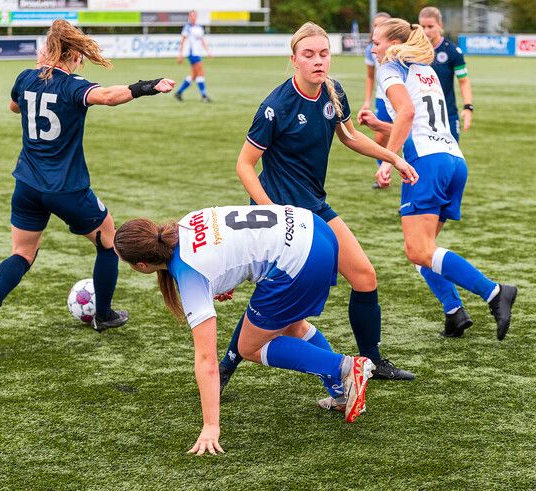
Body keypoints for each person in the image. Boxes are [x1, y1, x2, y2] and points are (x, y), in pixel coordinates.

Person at [218, 22, 420, 401]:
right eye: (308, 55)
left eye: (323, 53)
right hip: (280, 217)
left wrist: (393, 155)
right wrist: (270, 212)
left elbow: (349, 136)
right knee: (271, 303)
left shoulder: (333, 91)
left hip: (314, 206)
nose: (317, 61)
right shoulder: (275, 106)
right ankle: (227, 365)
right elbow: (244, 165)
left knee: (364, 276)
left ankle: (372, 363)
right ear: (293, 59)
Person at [0, 20, 176, 340]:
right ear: (73, 53)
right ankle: (103, 315)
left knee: (21, 254)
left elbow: (14, 107)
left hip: (27, 185)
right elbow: (107, 96)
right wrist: (146, 86)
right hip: (67, 188)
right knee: (109, 243)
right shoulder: (72, 85)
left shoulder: (25, 78)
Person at [114, 205, 376, 455]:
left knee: (249, 347)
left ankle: (344, 367)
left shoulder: (189, 274)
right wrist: (224, 280)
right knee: (292, 326)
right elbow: (234, 245)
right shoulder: (184, 223)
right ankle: (341, 394)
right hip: (313, 227)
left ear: (141, 266)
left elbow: (206, 360)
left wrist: (210, 426)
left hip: (299, 258)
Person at [360, 18, 516, 339]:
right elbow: (417, 123)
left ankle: (495, 292)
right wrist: (379, 123)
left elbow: (406, 114)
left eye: (376, 41)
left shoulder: (392, 68)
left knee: (419, 250)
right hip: (453, 161)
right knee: (422, 248)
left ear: (393, 44)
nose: (372, 47)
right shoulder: (425, 69)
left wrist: (389, 159)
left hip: (428, 164)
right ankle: (454, 312)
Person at [418, 6, 473, 142]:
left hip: (448, 114)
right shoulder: (414, 51)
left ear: (440, 25)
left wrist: (468, 107)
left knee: (451, 156)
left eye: (430, 26)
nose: (426, 31)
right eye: (422, 26)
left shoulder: (452, 51)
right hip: (420, 116)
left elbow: (463, 81)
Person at [358, 11, 392, 189]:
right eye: (375, 25)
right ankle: (384, 173)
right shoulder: (370, 50)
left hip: (399, 99)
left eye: (382, 25)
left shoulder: (399, 48)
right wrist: (367, 100)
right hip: (382, 99)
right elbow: (370, 77)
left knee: (409, 138)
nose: (377, 29)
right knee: (380, 140)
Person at [174, 10, 212, 102]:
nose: (192, 17)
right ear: (189, 17)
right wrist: (180, 54)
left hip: (197, 53)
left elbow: (202, 40)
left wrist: (208, 51)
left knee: (194, 76)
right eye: (191, 16)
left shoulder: (199, 27)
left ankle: (179, 92)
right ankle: (204, 96)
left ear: (196, 17)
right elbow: (183, 40)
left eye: (194, 16)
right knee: (201, 73)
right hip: (192, 54)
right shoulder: (187, 27)